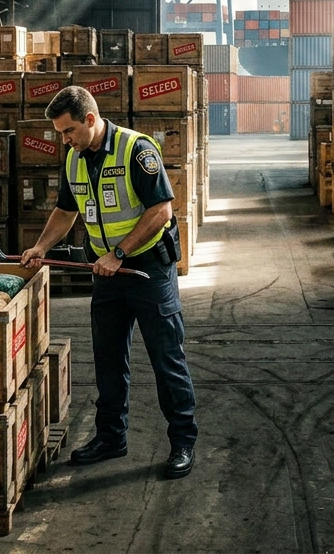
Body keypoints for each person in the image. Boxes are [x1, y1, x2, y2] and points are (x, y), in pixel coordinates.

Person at [20, 85, 197, 479]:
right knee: (108, 359)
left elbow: (162, 210)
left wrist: (118, 254)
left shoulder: (137, 149)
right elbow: (66, 212)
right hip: (106, 275)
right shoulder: (74, 159)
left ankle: (183, 441)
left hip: (147, 270)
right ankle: (111, 437)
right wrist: (40, 246)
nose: (63, 140)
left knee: (166, 359)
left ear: (89, 119)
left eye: (67, 131)